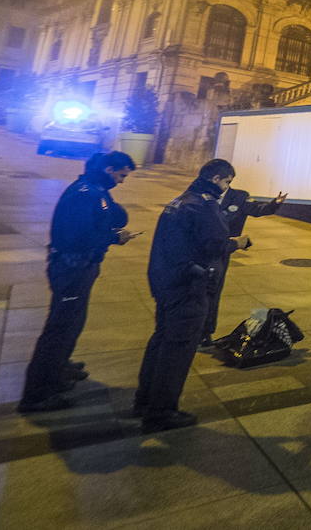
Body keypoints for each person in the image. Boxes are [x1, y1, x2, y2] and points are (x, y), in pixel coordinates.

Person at [131, 159, 250, 432]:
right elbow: (215, 243)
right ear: (218, 178)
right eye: (227, 182)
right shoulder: (204, 205)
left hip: (167, 282)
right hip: (189, 286)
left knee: (161, 341)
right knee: (177, 349)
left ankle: (144, 401)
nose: (227, 188)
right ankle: (161, 412)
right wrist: (238, 242)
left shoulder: (181, 201)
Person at [19, 151, 139, 413]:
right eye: (121, 175)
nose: (122, 181)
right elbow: (75, 237)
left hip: (80, 267)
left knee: (72, 323)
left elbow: (101, 222)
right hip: (72, 269)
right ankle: (37, 394)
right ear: (109, 169)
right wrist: (113, 239)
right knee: (59, 329)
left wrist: (110, 229)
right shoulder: (85, 194)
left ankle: (58, 369)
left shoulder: (93, 189)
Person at [200, 187, 286, 347]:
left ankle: (205, 333)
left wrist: (275, 204)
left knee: (213, 292)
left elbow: (258, 209)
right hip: (199, 249)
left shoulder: (239, 197)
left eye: (227, 181)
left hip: (221, 252)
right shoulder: (203, 196)